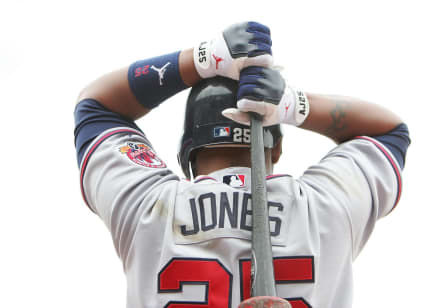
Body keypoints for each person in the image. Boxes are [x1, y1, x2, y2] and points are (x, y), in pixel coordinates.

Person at [74, 21, 410, 308]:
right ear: (275, 148)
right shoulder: (324, 205)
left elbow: (95, 105)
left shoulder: (147, 205)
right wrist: (295, 105)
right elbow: (390, 131)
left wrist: (203, 59)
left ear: (187, 152)